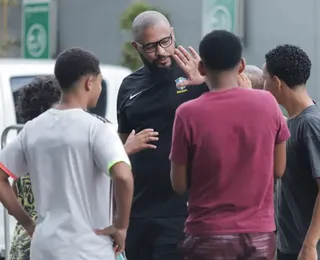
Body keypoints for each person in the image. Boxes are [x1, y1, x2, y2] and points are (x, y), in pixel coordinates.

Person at [0, 47, 134, 260]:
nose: (100, 88)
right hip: (88, 249)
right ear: (89, 82)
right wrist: (121, 226)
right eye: (99, 82)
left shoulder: (32, 129)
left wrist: (27, 223)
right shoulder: (98, 128)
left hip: (45, 247)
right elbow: (123, 176)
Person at [170, 30, 290, 260]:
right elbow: (279, 169)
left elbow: (179, 183)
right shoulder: (268, 104)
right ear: (242, 65)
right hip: (258, 234)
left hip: (207, 234)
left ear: (202, 68)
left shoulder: (187, 114)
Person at [117, 10, 208, 260]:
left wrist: (203, 82)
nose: (161, 52)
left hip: (184, 208)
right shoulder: (128, 87)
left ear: (173, 34)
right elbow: (120, 143)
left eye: (165, 41)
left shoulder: (198, 76)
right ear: (136, 47)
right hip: (140, 208)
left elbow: (232, 109)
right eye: (150, 47)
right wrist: (126, 146)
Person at [263, 44, 320, 260]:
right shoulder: (292, 122)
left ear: (277, 82)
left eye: (265, 78)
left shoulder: (311, 124)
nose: (264, 84)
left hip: (307, 251)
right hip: (291, 246)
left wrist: (310, 245)